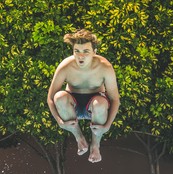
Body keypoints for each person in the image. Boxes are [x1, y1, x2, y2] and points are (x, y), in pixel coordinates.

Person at [47, 29, 120, 163]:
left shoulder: (105, 67)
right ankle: (79, 137)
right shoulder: (65, 66)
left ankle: (95, 144)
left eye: (86, 52)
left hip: (94, 106)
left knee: (100, 104)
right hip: (72, 105)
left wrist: (108, 125)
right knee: (59, 97)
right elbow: (50, 98)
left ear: (94, 52)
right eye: (77, 51)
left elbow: (115, 99)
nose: (81, 56)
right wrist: (59, 121)